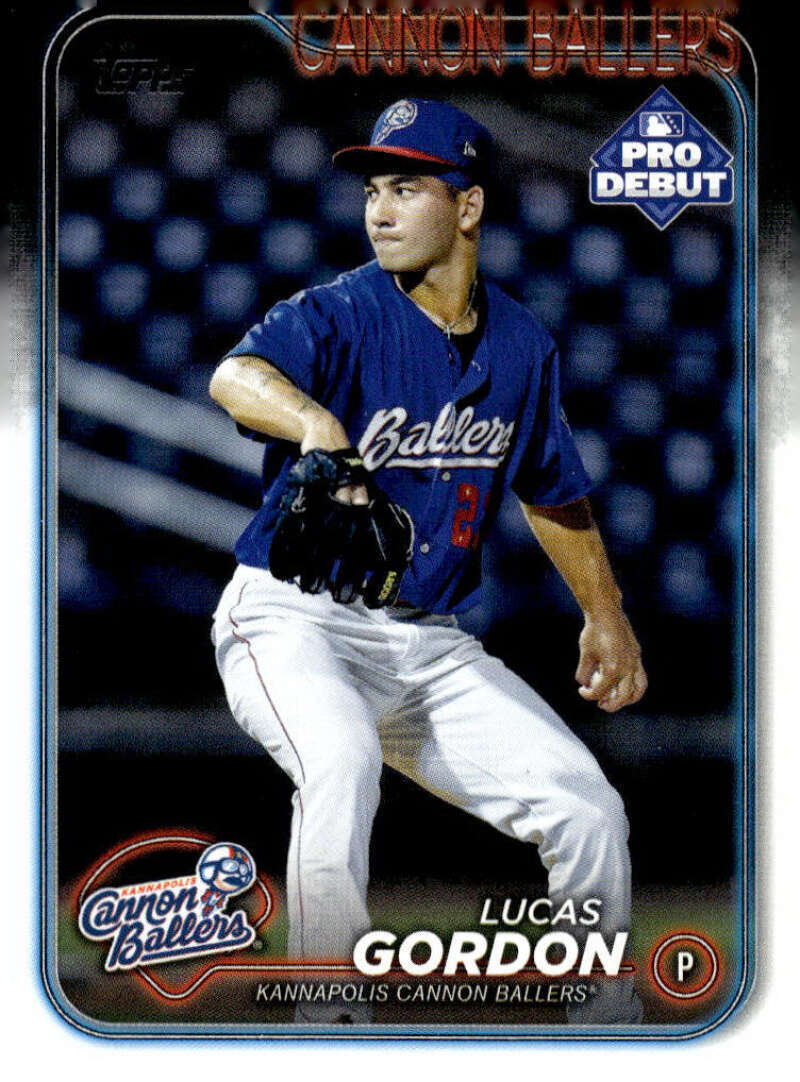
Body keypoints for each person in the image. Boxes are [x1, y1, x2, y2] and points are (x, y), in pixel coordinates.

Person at [209, 99, 647, 1025]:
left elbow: (552, 490)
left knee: (586, 808)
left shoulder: (522, 344)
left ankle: (605, 1032)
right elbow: (234, 376)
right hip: (292, 620)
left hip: (427, 646)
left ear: (469, 205)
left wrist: (604, 612)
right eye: (374, 189)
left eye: (406, 188)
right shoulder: (338, 311)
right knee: (339, 760)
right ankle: (330, 1022)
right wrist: (313, 421)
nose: (379, 210)